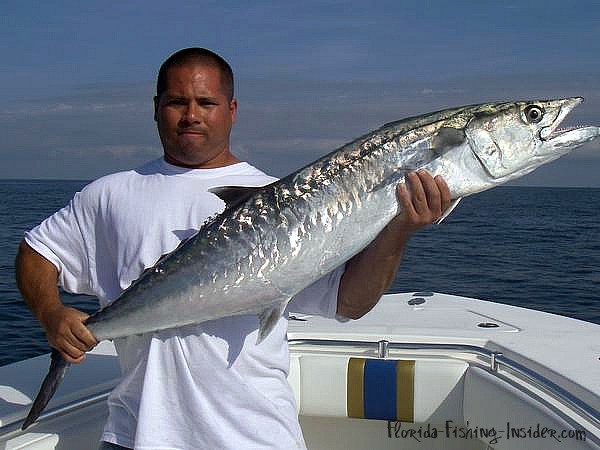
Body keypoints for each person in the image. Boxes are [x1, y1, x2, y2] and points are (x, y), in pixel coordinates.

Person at [16, 48, 451, 450]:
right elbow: (37, 253)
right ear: (156, 109)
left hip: (254, 437)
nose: (191, 115)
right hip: (136, 435)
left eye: (205, 103)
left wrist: (399, 229)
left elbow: (350, 303)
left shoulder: (290, 204)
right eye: (176, 102)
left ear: (231, 110)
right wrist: (51, 312)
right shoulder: (110, 195)